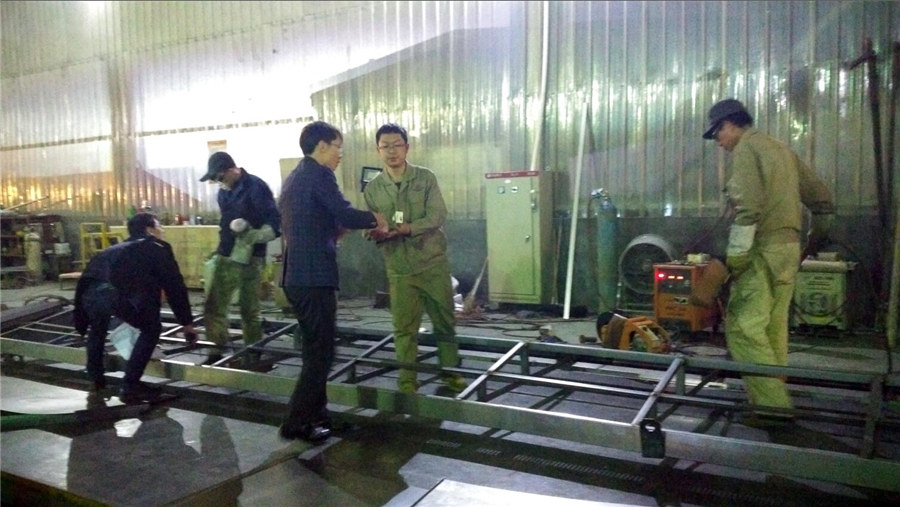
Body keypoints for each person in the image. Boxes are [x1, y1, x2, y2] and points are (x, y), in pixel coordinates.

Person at [702, 99, 834, 414]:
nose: (718, 142)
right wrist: (812, 242)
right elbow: (822, 200)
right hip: (788, 250)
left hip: (761, 249)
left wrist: (734, 259)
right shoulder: (781, 149)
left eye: (718, 133)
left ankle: (772, 407)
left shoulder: (746, 149)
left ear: (730, 124)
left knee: (744, 328)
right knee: (773, 328)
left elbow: (748, 209)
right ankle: (773, 397)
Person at [278, 120, 388, 443]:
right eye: (338, 147)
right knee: (320, 354)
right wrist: (375, 218)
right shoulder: (319, 174)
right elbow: (344, 212)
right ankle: (297, 423)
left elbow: (313, 219)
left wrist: (331, 229)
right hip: (312, 277)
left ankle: (318, 417)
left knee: (317, 350)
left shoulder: (296, 177)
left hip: (297, 276)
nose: (340, 154)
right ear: (322, 146)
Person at [363, 123, 467, 394]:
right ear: (378, 150)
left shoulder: (425, 178)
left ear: (407, 147)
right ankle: (407, 381)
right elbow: (371, 223)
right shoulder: (373, 189)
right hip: (399, 268)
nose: (392, 151)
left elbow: (438, 215)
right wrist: (374, 233)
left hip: (432, 263)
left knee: (444, 322)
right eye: (385, 146)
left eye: (397, 145)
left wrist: (408, 228)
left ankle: (450, 372)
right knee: (404, 328)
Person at [73, 212, 197, 404]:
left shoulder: (111, 250)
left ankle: (96, 379)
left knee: (97, 329)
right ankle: (130, 386)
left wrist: (81, 320)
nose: (162, 230)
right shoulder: (157, 247)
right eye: (159, 226)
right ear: (150, 229)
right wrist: (186, 323)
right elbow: (173, 285)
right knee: (151, 329)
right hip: (116, 294)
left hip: (90, 295)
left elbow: (87, 280)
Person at [200, 151, 280, 364]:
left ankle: (253, 351)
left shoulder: (255, 187)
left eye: (220, 177)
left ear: (231, 170)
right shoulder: (224, 192)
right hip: (227, 254)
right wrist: (221, 248)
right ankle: (215, 350)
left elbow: (273, 220)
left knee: (249, 308)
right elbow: (225, 223)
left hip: (251, 256)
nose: (219, 183)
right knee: (214, 305)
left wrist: (258, 235)